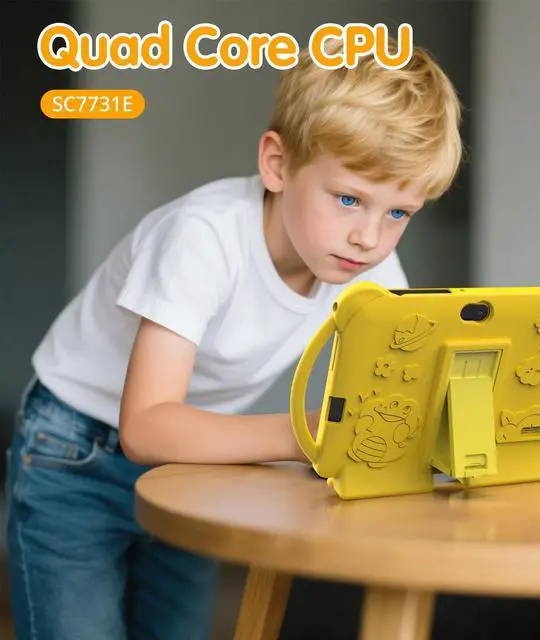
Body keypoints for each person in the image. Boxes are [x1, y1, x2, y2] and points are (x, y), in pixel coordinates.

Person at [4, 37, 462, 640]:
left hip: (194, 460)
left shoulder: (368, 269)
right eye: (349, 199)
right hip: (76, 450)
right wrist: (304, 435)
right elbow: (146, 427)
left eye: (398, 213)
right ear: (277, 164)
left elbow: (396, 395)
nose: (369, 238)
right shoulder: (202, 237)